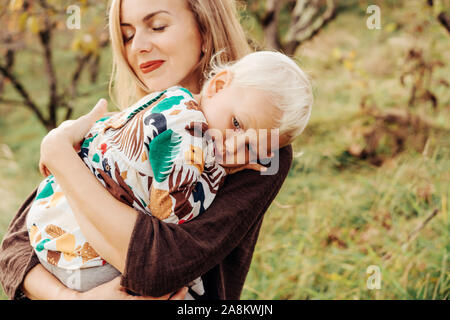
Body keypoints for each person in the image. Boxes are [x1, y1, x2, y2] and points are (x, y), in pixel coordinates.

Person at [0, 0, 295, 300]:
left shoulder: (257, 144)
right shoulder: (131, 125)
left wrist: (61, 156)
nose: (138, 46)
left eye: (158, 27)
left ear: (205, 31)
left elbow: (158, 269)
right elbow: (14, 249)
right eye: (127, 35)